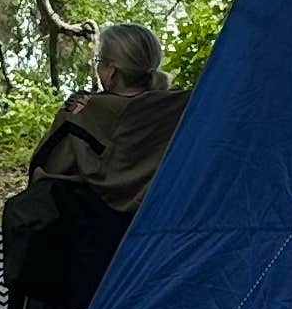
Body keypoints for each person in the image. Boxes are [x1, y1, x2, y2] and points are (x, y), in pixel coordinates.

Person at [27, 21, 187, 212]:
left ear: (111, 71)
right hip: (162, 217)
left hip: (92, 225)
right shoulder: (183, 108)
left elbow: (46, 168)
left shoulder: (83, 112)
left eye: (98, 62)